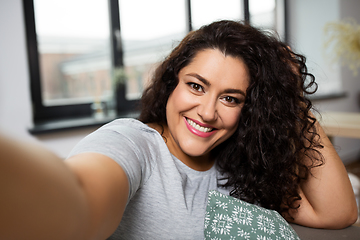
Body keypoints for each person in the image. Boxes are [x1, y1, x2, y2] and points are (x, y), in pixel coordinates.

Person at [0, 20, 358, 240]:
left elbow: (336, 214)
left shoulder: (241, 165)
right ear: (173, 83)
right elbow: (79, 200)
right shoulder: (132, 143)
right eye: (196, 86)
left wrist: (291, 99)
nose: (207, 112)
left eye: (231, 98)